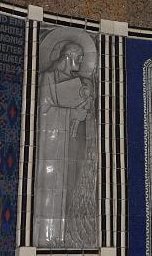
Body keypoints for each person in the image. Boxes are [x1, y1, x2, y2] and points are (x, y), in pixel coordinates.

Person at [34, 42, 97, 248]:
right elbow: (43, 112)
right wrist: (71, 113)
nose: (81, 61)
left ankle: (70, 236)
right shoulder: (48, 77)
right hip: (52, 147)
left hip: (74, 144)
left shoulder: (81, 82)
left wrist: (86, 110)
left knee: (73, 186)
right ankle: (48, 238)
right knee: (53, 187)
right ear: (68, 56)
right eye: (79, 57)